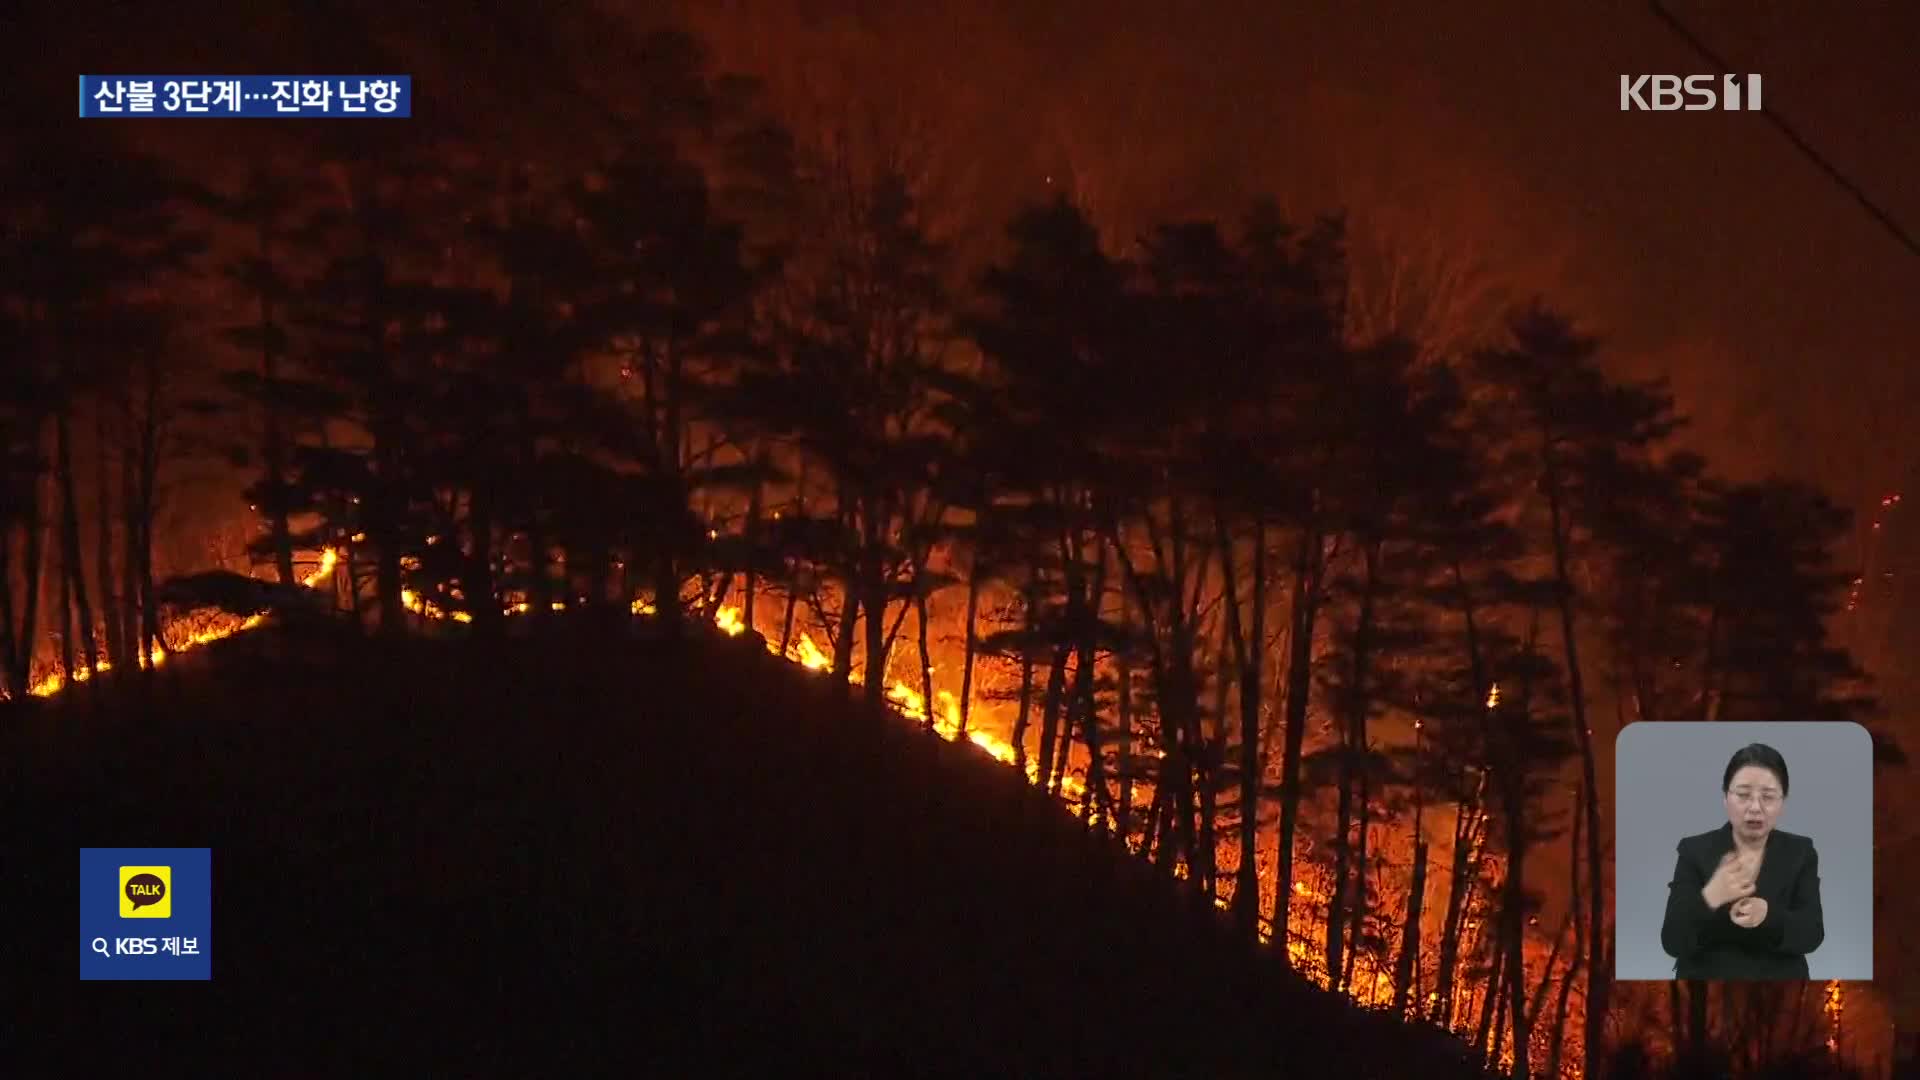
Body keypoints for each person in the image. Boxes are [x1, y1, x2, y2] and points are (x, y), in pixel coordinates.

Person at [1660, 743, 1825, 979]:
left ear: (1783, 802)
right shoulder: (1694, 850)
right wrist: (1711, 897)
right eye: (1743, 795)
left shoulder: (1801, 852)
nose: (1755, 808)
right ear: (1725, 798)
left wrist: (1768, 915)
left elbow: (1812, 934)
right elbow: (1672, 941)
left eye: (1768, 797)